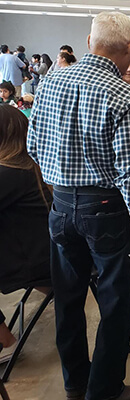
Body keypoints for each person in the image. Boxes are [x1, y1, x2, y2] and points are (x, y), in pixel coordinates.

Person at [27, 11, 130, 400]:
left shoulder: (50, 82)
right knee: (115, 301)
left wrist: (63, 178)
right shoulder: (125, 95)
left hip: (60, 205)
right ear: (129, 49)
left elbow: (33, 147)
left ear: (89, 42)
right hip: (105, 208)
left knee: (69, 299)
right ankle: (104, 391)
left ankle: (76, 383)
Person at [0, 105, 52, 364]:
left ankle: (4, 341)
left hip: (35, 262)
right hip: (48, 254)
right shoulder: (28, 164)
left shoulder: (9, 173)